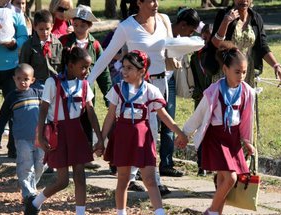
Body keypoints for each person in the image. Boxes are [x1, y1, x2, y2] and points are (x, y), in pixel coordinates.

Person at [87, 0, 174, 195]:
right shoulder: (127, 26)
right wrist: (87, 82)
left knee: (153, 129)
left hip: (161, 82)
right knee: (149, 128)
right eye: (151, 0)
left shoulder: (164, 20)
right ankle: (149, 177)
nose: (156, 3)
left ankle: (137, 174)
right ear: (139, 2)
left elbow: (171, 49)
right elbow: (107, 54)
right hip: (138, 85)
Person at [101, 50, 188, 215]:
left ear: (142, 71)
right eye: (123, 67)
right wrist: (101, 139)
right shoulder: (117, 89)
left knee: (149, 179)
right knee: (123, 179)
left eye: (130, 68)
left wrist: (180, 133)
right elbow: (110, 117)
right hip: (123, 136)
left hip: (143, 137)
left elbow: (164, 116)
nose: (124, 72)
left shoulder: (151, 91)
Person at [24, 47, 104, 215]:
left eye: (88, 67)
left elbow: (90, 112)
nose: (86, 70)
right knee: (62, 181)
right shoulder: (53, 82)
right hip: (59, 133)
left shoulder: (84, 85)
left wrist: (99, 137)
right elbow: (43, 109)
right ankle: (35, 203)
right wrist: (41, 135)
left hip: (76, 133)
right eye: (83, 67)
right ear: (70, 65)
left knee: (80, 177)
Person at [183, 44, 255, 215]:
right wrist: (185, 133)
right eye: (237, 71)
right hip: (216, 137)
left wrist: (247, 140)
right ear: (225, 69)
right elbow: (199, 115)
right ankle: (212, 212)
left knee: (224, 179)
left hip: (232, 139)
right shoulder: (214, 90)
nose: (241, 76)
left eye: (244, 72)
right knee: (230, 178)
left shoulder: (247, 92)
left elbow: (247, 119)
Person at [208, 0, 281, 173]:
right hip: (225, 74)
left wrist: (276, 65)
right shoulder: (225, 15)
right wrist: (226, 21)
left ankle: (244, 168)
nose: (243, 1)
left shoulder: (256, 18)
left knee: (245, 119)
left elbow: (262, 46)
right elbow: (215, 43)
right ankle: (224, 170)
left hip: (246, 75)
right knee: (226, 120)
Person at [60, 4, 111, 169]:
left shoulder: (95, 45)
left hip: (86, 91)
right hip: (65, 89)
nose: (79, 28)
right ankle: (62, 153)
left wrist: (108, 95)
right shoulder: (64, 42)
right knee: (65, 121)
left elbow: (103, 72)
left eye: (83, 25)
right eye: (76, 25)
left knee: (86, 121)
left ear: (89, 26)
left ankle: (86, 154)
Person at [0, 0, 29, 159]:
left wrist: (15, 43)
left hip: (11, 67)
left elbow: (23, 35)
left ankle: (13, 147)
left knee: (14, 108)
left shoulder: (16, 12)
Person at [159, 7, 201, 178]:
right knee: (150, 125)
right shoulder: (163, 31)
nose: (190, 35)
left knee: (169, 124)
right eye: (190, 31)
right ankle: (143, 164)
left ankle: (166, 164)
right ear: (182, 25)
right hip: (154, 80)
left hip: (169, 81)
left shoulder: (184, 40)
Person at [0, 64, 44, 202]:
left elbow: (49, 111)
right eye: (19, 78)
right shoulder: (11, 97)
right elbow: (3, 116)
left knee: (40, 165)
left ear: (32, 80)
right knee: (25, 165)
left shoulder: (38, 94)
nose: (22, 81)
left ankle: (29, 186)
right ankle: (28, 194)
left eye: (26, 79)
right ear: (14, 79)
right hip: (22, 139)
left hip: (39, 137)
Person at [190, 23, 213, 177]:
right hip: (201, 98)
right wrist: (198, 93)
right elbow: (192, 78)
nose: (205, 39)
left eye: (208, 35)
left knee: (213, 130)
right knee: (201, 130)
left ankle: (212, 163)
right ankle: (201, 164)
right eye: (203, 35)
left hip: (215, 98)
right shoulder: (194, 56)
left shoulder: (218, 55)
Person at [19, 9, 63, 88]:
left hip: (54, 83)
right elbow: (23, 66)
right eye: (41, 29)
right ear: (35, 27)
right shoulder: (29, 45)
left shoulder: (58, 44)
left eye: (47, 29)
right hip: (35, 84)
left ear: (52, 26)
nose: (45, 32)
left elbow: (61, 66)